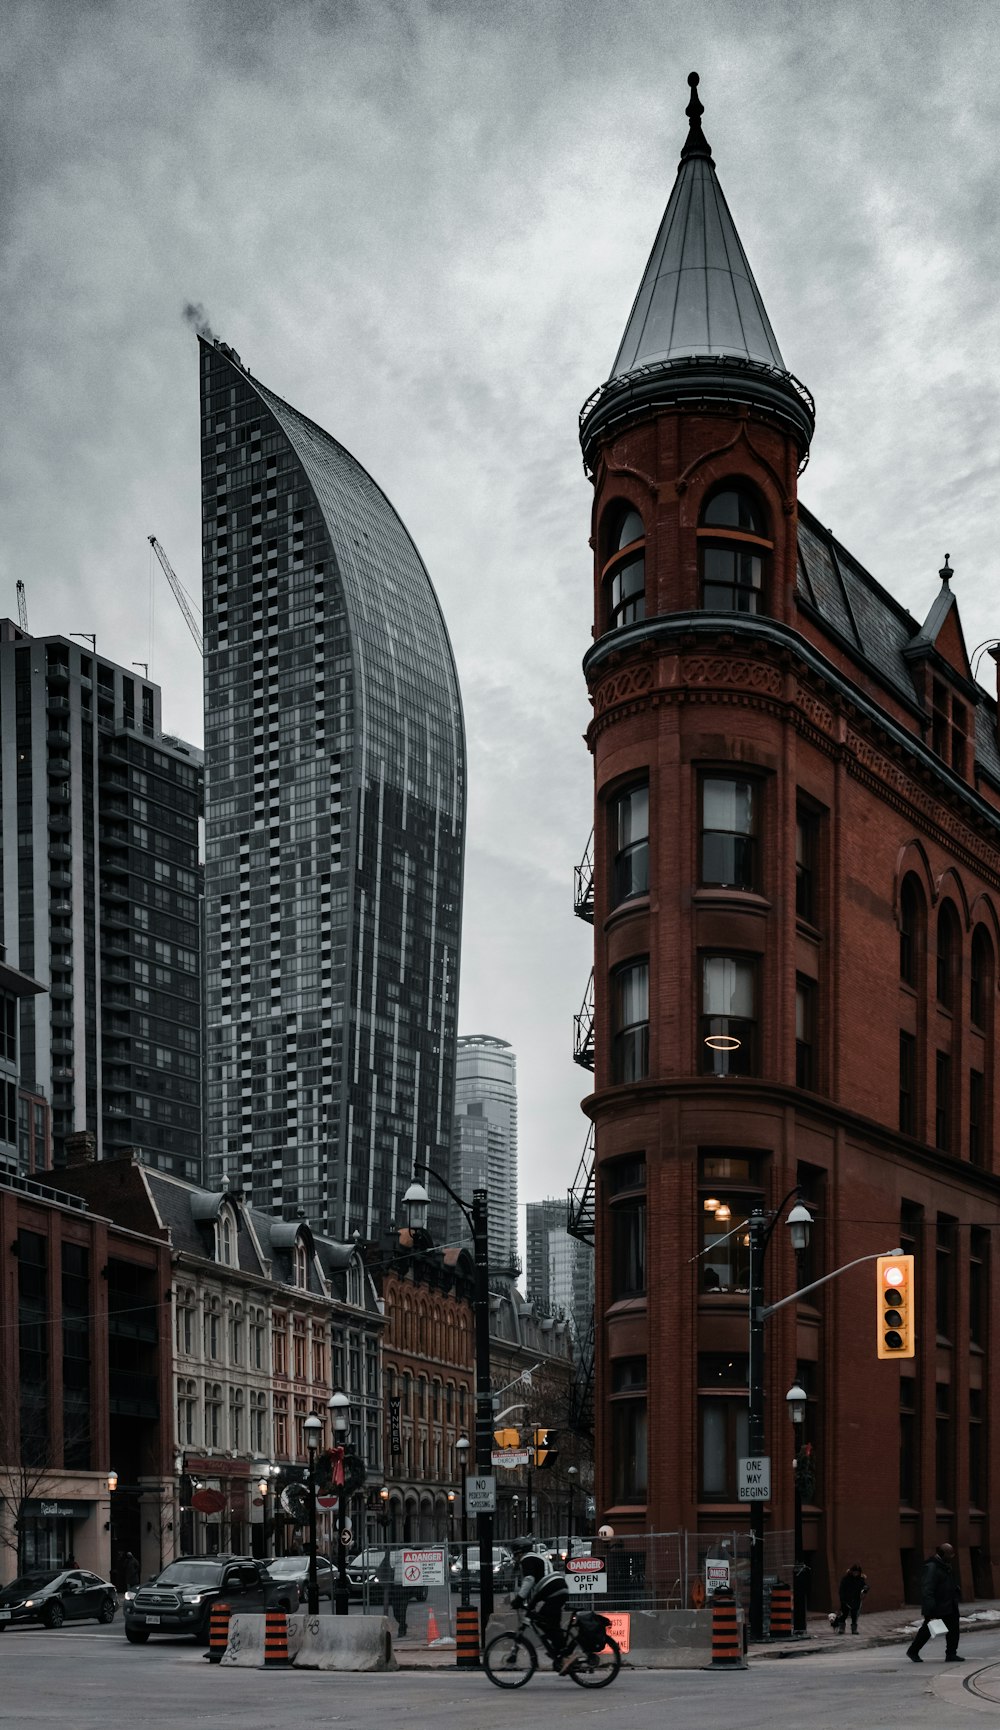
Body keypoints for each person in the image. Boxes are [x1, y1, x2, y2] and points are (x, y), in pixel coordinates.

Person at [511, 1552, 572, 1669]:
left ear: (519, 1552)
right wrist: (531, 1605)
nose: (515, 1558)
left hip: (553, 1589)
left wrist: (519, 1599)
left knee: (546, 1622)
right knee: (549, 1622)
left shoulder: (526, 1558)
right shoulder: (537, 1557)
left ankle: (566, 1656)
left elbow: (529, 1580)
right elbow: (539, 1588)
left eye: (515, 1554)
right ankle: (560, 1653)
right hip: (557, 1588)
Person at [906, 1543, 963, 1663]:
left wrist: (955, 1588)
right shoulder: (932, 1567)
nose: (952, 1556)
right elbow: (927, 1588)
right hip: (937, 1605)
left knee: (954, 1629)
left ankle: (951, 1654)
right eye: (950, 1554)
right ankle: (913, 1651)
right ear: (942, 1554)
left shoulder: (945, 1565)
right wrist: (930, 1607)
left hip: (950, 1603)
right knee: (927, 1630)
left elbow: (946, 1582)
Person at [832, 1563, 868, 1634]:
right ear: (851, 1571)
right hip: (846, 1600)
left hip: (856, 1600)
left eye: (857, 1572)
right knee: (844, 1615)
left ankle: (854, 1630)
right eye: (854, 1572)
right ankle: (842, 1629)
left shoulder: (860, 1579)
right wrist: (843, 1600)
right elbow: (841, 1590)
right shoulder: (845, 1579)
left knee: (854, 1615)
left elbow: (865, 1586)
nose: (855, 1573)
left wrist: (865, 1589)